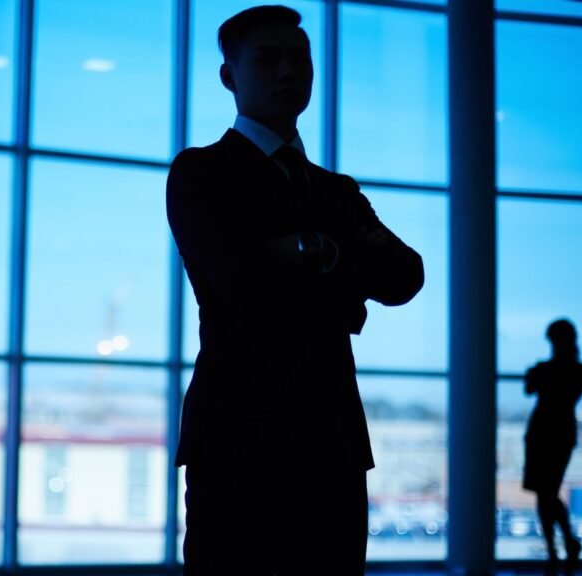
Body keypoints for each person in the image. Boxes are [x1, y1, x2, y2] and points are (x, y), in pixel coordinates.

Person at [166, 6, 424, 574]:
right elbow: (241, 280)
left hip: (330, 442)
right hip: (239, 442)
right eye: (267, 60)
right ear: (229, 77)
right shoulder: (202, 173)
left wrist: (310, 251)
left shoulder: (336, 190)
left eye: (300, 60)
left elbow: (406, 275)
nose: (288, 72)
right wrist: (346, 264)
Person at [523, 319, 582, 570]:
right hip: (551, 434)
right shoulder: (576, 370)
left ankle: (558, 547)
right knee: (545, 493)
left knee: (546, 493)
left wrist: (541, 375)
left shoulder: (564, 370)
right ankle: (561, 545)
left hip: (549, 434)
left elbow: (535, 389)